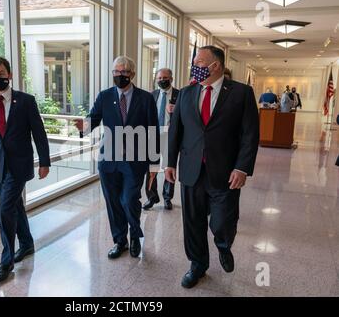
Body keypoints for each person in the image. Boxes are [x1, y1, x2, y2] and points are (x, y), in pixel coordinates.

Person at [165, 46, 259, 289]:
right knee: (192, 221)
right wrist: (169, 163)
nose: (193, 65)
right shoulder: (186, 93)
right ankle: (197, 264)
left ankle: (223, 244)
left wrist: (242, 168)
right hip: (191, 170)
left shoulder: (241, 93)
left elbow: (250, 134)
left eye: (198, 61)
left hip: (226, 171)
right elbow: (176, 131)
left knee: (222, 221)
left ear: (215, 65)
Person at [0, 57, 51, 283]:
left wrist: (45, 161)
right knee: (14, 205)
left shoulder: (25, 101)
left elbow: (39, 133)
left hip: (19, 165)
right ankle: (26, 243)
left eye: (1, 73)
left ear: (10, 74)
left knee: (5, 209)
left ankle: (6, 262)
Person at [74, 56, 160, 260]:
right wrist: (83, 127)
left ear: (132, 74)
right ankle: (120, 241)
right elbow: (93, 119)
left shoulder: (145, 98)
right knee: (113, 202)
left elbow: (153, 132)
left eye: (123, 72)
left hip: (135, 160)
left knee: (130, 199)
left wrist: (154, 164)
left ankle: (135, 235)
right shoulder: (104, 96)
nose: (119, 75)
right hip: (108, 160)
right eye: (116, 71)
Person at [143, 68, 180, 211]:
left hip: (170, 137)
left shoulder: (180, 94)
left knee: (168, 167)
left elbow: (187, 115)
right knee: (152, 168)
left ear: (171, 78)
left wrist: (176, 110)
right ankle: (151, 198)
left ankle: (167, 198)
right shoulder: (152, 95)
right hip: (153, 136)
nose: (161, 80)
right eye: (159, 78)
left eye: (165, 77)